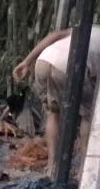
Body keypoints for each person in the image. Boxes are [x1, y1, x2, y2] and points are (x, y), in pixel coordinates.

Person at [12, 25, 100, 176]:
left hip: (44, 60)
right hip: (69, 65)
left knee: (54, 112)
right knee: (88, 114)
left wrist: (27, 61)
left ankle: (52, 166)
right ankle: (83, 170)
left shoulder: (90, 28)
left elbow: (54, 35)